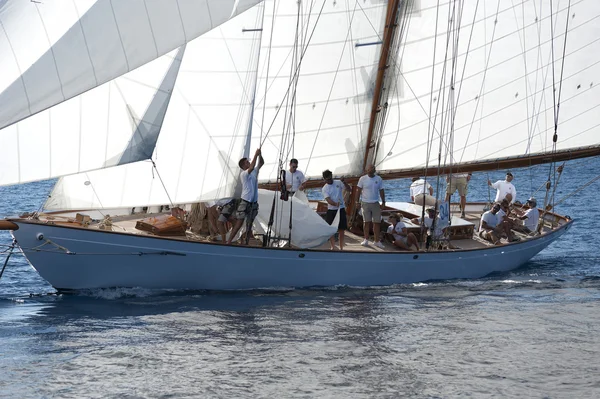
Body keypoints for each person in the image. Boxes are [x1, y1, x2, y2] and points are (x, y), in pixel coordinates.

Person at [227, 148, 264, 245]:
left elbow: (261, 163)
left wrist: (260, 155)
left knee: (249, 224)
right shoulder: (244, 174)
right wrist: (256, 154)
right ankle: (229, 241)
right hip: (245, 201)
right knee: (239, 222)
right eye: (247, 162)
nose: (249, 162)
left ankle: (246, 243)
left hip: (253, 202)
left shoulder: (254, 172)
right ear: (244, 165)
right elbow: (252, 167)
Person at [357, 164, 385, 248]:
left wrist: (383, 201)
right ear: (367, 170)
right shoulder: (362, 179)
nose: (371, 170)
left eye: (373, 168)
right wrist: (356, 201)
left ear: (375, 170)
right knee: (366, 222)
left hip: (375, 202)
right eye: (370, 168)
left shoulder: (378, 179)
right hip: (365, 202)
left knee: (377, 222)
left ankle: (376, 241)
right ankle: (366, 239)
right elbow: (358, 190)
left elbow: (381, 190)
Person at [322, 169, 351, 250]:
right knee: (331, 229)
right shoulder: (325, 188)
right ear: (324, 179)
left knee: (341, 229)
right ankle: (333, 246)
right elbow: (328, 200)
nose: (330, 180)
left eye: (331, 178)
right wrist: (335, 204)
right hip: (331, 210)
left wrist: (344, 182)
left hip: (341, 209)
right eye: (328, 179)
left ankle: (341, 247)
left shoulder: (338, 182)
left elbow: (349, 189)